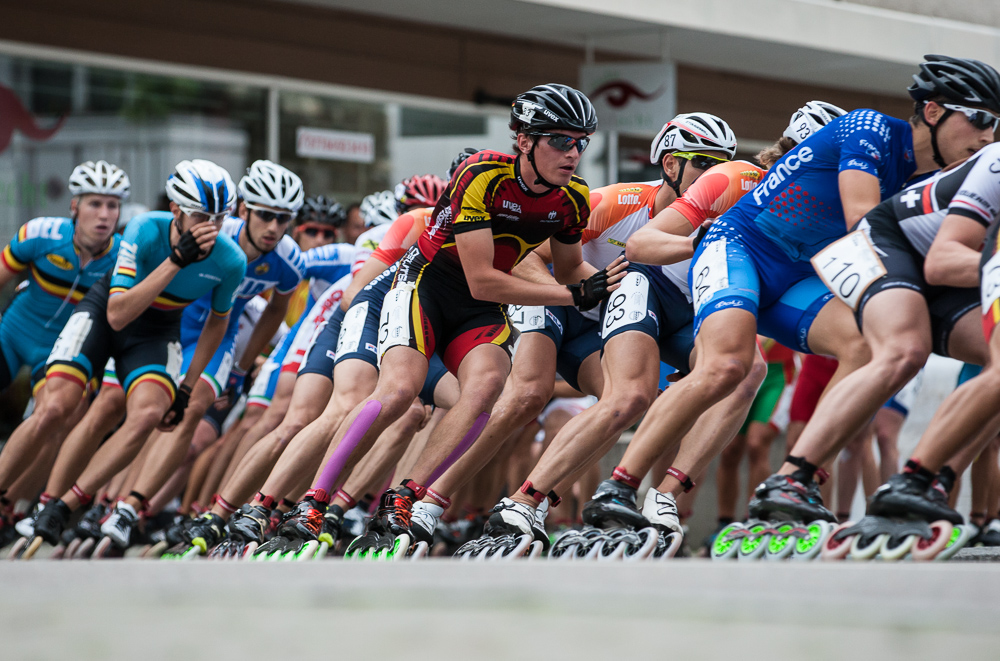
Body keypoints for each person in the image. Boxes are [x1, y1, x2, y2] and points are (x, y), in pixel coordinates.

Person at [306, 83, 623, 556]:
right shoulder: (481, 174)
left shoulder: (572, 198)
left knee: (486, 389)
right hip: (428, 285)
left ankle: (404, 498)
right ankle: (313, 503)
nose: (573, 153)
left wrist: (623, 291)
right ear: (524, 140)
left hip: (477, 309)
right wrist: (569, 294)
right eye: (560, 140)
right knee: (397, 392)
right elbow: (481, 279)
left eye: (581, 142)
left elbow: (575, 266)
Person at [24, 159, 246, 549]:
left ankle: (75, 505)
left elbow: (219, 322)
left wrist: (188, 385)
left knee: (154, 413)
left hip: (166, 329)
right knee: (93, 405)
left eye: (221, 218)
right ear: (176, 210)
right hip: (124, 314)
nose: (211, 228)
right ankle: (38, 503)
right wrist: (178, 259)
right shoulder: (147, 228)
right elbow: (119, 314)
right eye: (202, 217)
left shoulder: (232, 258)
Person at [95, 160, 309, 548]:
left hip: (217, 331)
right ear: (243, 210)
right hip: (175, 321)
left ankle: (130, 508)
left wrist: (243, 367)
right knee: (138, 412)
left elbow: (276, 309)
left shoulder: (289, 261)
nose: (275, 227)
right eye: (266, 215)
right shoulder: (213, 230)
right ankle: (102, 500)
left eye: (284, 219)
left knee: (189, 413)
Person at [0, 161, 128, 531]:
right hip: (13, 332)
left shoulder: (123, 256)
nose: (104, 215)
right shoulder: (40, 233)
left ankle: (10, 502)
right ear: (74, 206)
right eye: (95, 204)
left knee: (57, 416)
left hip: (61, 349)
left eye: (112, 206)